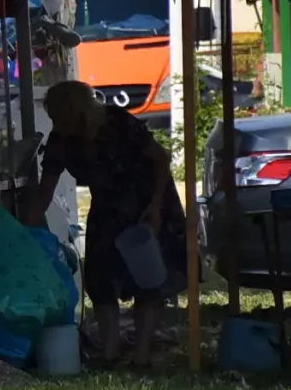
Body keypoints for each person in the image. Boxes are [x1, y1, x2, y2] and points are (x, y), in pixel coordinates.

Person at [29, 78, 184, 367]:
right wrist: (30, 229)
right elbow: (46, 186)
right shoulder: (61, 140)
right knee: (100, 277)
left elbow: (159, 159)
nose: (54, 121)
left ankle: (142, 354)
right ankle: (110, 351)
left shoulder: (117, 124)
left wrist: (155, 207)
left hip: (146, 201)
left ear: (74, 111)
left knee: (146, 277)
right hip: (107, 206)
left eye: (57, 115)